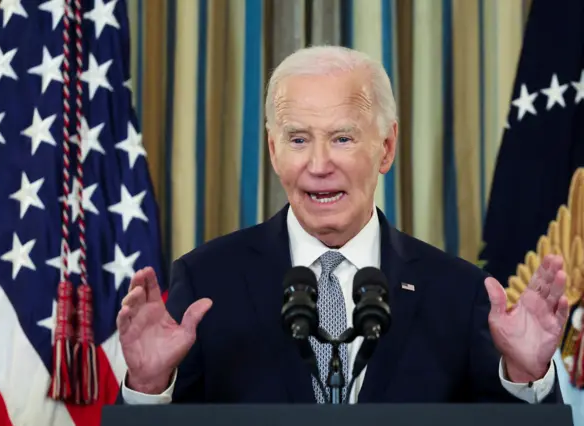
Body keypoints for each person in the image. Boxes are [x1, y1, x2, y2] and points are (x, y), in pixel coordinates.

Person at [115, 45, 568, 405]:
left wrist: (527, 376)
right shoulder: (208, 280)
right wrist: (150, 387)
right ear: (273, 151)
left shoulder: (458, 291)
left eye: (342, 138)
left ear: (386, 148)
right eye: (298, 139)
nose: (318, 164)